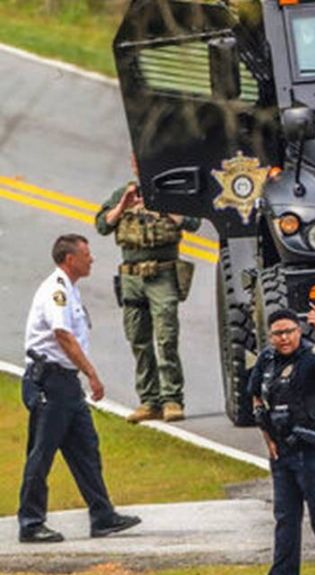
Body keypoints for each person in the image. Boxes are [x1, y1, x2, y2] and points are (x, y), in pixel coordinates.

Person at [18, 234, 142, 543]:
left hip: (67, 383)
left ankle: (102, 516)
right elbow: (63, 335)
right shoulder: (56, 291)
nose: (92, 259)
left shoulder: (70, 289)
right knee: (42, 453)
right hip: (50, 381)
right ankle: (31, 522)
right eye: (86, 255)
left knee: (86, 448)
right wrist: (92, 374)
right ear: (70, 259)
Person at [249, 305, 315, 575]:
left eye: (289, 332)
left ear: (298, 331)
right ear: (270, 336)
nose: (284, 338)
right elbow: (256, 395)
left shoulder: (312, 355)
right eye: (277, 333)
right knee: (285, 519)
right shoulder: (267, 360)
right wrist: (267, 437)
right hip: (282, 451)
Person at [95, 173, 201, 423]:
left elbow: (194, 222)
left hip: (162, 273)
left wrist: (162, 208)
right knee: (138, 338)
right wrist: (124, 205)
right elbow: (102, 225)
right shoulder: (123, 192)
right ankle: (149, 400)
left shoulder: (172, 193)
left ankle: (172, 399)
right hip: (132, 276)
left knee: (166, 337)